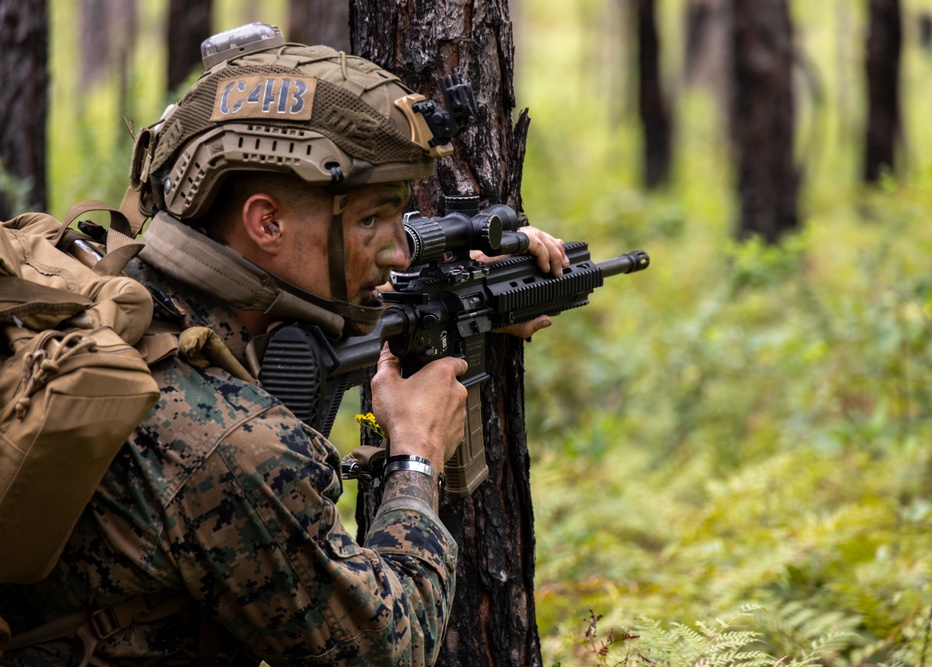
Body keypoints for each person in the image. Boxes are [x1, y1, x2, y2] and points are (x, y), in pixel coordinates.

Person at [1, 24, 567, 667]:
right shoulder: (238, 450)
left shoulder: (104, 282)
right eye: (371, 220)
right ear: (265, 222)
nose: (400, 247)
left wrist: (466, 292)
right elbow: (389, 648)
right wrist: (416, 456)